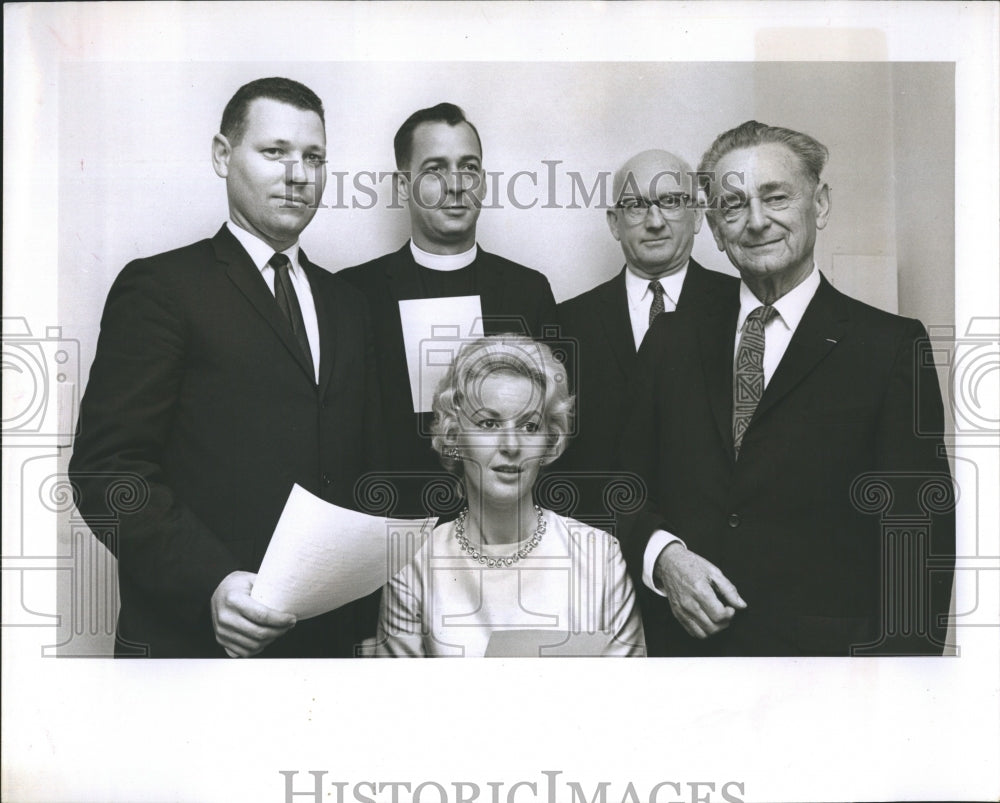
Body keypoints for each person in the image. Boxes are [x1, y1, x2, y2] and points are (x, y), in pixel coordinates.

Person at [69, 77, 382, 658]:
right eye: (274, 152)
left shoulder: (349, 305)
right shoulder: (161, 288)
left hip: (327, 649)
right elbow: (107, 473)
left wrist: (367, 621)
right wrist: (210, 582)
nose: (299, 174)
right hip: (193, 640)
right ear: (222, 155)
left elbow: (357, 473)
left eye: (314, 157)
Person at [617, 120, 955, 656]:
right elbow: (623, 484)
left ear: (818, 204)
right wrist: (662, 555)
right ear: (714, 225)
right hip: (684, 665)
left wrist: (904, 688)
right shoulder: (670, 339)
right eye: (733, 205)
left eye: (775, 197)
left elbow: (916, 539)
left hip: (828, 673)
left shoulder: (889, 347)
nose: (755, 222)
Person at [337, 104, 557, 516]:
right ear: (404, 186)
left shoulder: (528, 291)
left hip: (503, 534)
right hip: (387, 532)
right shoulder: (353, 292)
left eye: (469, 167)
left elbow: (550, 430)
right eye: (436, 170)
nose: (456, 185)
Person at [376, 336, 645, 657]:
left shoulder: (600, 558)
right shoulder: (413, 566)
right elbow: (401, 703)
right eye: (489, 423)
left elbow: (629, 699)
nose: (511, 445)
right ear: (453, 437)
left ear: (550, 442)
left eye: (529, 427)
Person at [558, 150, 737, 475]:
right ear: (615, 222)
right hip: (602, 520)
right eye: (637, 205)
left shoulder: (742, 306)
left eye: (671, 201)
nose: (655, 222)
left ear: (697, 215)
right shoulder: (567, 322)